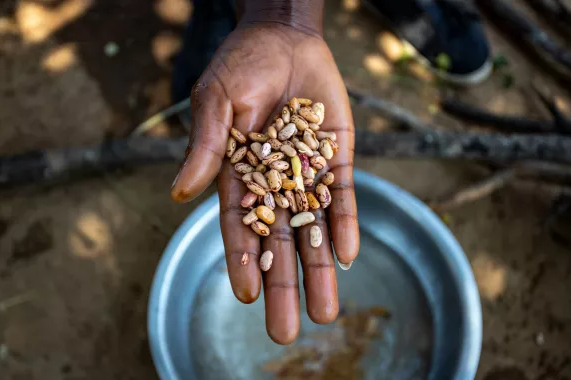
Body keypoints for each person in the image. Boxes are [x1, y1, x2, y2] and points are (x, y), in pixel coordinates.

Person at [170, 0, 491, 345]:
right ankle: (222, 10)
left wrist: (295, 21)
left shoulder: (293, 157)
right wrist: (275, 16)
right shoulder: (278, 162)